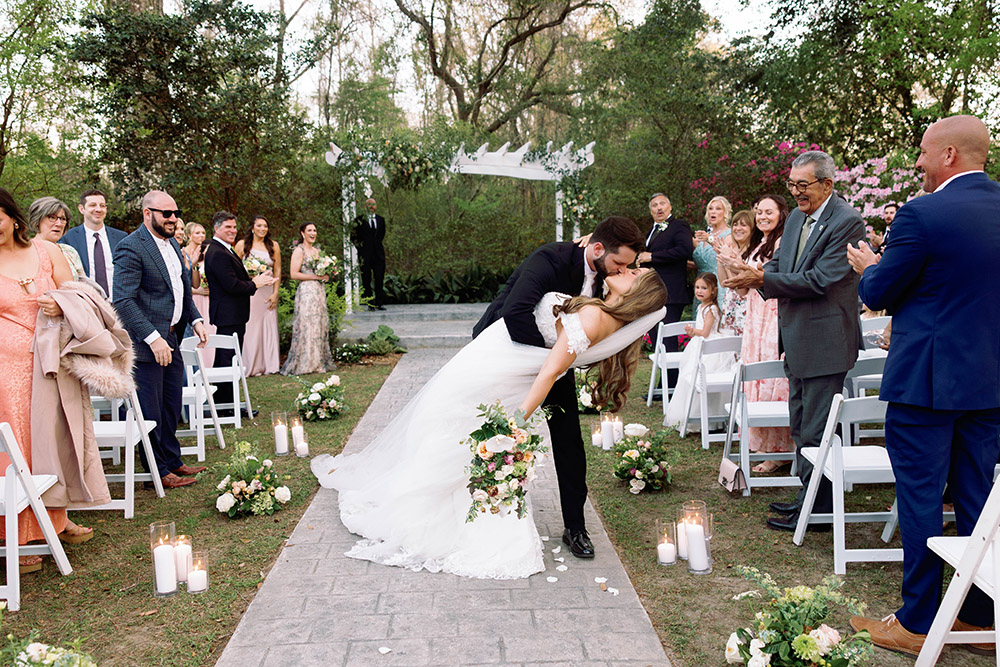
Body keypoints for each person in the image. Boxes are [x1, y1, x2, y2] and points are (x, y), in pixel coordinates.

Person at [312, 266, 666, 578]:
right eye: (630, 264)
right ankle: (427, 494)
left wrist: (515, 425)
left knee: (446, 426)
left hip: (493, 372)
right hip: (490, 357)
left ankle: (422, 508)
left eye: (636, 274)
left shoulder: (594, 318)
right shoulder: (599, 306)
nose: (629, 269)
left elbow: (550, 373)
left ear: (636, 295)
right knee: (441, 425)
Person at [846, 115, 1000, 656]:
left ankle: (917, 620)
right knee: (980, 501)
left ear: (951, 156)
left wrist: (871, 264)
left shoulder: (923, 214)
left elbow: (881, 290)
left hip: (925, 385)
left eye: (923, 153)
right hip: (988, 383)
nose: (917, 162)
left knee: (919, 499)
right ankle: (982, 618)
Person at [474, 215, 647, 558]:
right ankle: (482, 510)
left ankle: (575, 527)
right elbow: (517, 313)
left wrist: (555, 369)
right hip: (506, 351)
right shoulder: (551, 259)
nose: (619, 272)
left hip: (555, 362)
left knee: (569, 441)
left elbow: (643, 281)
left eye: (626, 267)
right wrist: (546, 367)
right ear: (596, 248)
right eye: (617, 263)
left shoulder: (612, 274)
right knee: (489, 432)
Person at [724, 151, 865, 533]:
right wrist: (752, 271)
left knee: (818, 429)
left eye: (803, 185)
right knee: (801, 424)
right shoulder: (799, 218)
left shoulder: (848, 222)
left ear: (827, 184)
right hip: (798, 338)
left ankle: (818, 510)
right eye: (792, 184)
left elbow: (820, 280)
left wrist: (761, 281)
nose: (796, 193)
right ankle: (810, 498)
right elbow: (782, 265)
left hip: (826, 342)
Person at [0, 187, 95, 569]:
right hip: (5, 371)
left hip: (48, 362)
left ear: (12, 216)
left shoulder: (47, 251)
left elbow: (81, 297)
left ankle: (56, 518)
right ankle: (18, 536)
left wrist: (59, 301)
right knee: (16, 445)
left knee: (50, 440)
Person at [113, 190, 209, 489]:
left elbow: (180, 291)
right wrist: (153, 339)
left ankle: (172, 459)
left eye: (176, 213)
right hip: (147, 343)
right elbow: (123, 300)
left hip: (173, 337)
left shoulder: (173, 245)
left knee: (171, 403)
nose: (173, 218)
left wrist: (195, 319)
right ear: (147, 214)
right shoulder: (131, 247)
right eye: (166, 213)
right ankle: (156, 471)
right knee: (150, 409)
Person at [717, 195, 792, 471]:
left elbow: (772, 278)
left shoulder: (785, 241)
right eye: (758, 212)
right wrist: (727, 260)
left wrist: (738, 262)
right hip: (755, 316)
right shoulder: (759, 243)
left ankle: (781, 449)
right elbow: (740, 288)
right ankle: (763, 444)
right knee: (756, 376)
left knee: (773, 376)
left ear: (781, 213)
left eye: (768, 212)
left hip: (773, 314)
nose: (762, 217)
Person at [204, 211, 274, 410]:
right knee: (227, 360)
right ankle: (225, 405)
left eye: (234, 227)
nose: (233, 231)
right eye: (228, 227)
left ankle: (226, 402)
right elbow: (231, 285)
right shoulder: (217, 252)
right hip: (228, 315)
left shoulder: (226, 249)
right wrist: (255, 283)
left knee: (230, 358)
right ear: (216, 228)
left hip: (233, 314)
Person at [637, 193, 693, 394]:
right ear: (650, 210)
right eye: (654, 205)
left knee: (667, 340)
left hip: (671, 292)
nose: (659, 208)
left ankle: (672, 387)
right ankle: (664, 384)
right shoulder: (651, 230)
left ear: (670, 207)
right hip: (654, 292)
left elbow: (685, 250)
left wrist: (651, 256)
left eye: (662, 204)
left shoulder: (679, 226)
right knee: (657, 338)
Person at [663, 273, 733, 431]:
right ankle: (691, 417)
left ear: (713, 291)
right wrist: (693, 332)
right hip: (698, 345)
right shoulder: (702, 306)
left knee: (702, 380)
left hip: (708, 347)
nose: (699, 291)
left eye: (704, 288)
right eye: (697, 287)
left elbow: (706, 332)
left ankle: (709, 418)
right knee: (688, 377)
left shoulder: (711, 309)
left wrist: (694, 331)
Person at [281, 222, 336, 375]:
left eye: (315, 230)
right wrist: (315, 276)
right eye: (309, 230)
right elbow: (294, 274)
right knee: (306, 325)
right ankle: (304, 363)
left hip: (319, 291)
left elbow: (324, 271)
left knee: (318, 324)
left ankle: (317, 362)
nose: (313, 233)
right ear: (302, 233)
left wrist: (326, 275)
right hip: (306, 291)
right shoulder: (299, 250)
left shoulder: (318, 251)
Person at [234, 216, 281, 376]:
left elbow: (278, 270)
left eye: (265, 226)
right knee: (251, 327)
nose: (263, 229)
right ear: (253, 228)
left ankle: (270, 365)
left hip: (267, 292)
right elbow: (234, 267)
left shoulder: (273, 246)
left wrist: (275, 293)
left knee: (268, 325)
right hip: (250, 290)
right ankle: (250, 365)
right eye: (259, 225)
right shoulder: (242, 245)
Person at [59, 189, 126, 296]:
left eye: (102, 205)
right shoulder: (68, 239)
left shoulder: (121, 238)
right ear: (81, 209)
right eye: (93, 205)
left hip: (118, 303)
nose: (98, 209)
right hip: (86, 304)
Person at [715, 209, 758, 336]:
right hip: (730, 305)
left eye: (743, 225)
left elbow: (741, 289)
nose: (738, 228)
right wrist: (721, 258)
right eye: (735, 224)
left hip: (745, 308)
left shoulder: (753, 253)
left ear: (752, 229)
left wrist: (729, 261)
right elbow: (724, 283)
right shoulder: (731, 249)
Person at [27, 197, 87, 280]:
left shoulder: (69, 251)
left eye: (63, 219)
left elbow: (84, 285)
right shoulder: (26, 250)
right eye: (52, 217)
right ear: (37, 220)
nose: (59, 224)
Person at [690, 196, 732, 311]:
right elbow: (701, 263)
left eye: (718, 209)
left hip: (718, 285)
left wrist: (709, 239)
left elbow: (725, 255)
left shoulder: (729, 234)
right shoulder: (705, 235)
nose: (713, 211)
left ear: (725, 213)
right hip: (701, 288)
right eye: (710, 209)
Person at [351, 197, 386, 311]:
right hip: (365, 255)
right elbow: (353, 237)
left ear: (376, 206)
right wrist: (361, 249)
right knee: (366, 279)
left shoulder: (381, 220)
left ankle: (379, 303)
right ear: (365, 207)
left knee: (379, 278)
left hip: (378, 255)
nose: (371, 206)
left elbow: (381, 235)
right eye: (369, 204)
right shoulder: (359, 220)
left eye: (373, 204)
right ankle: (370, 303)